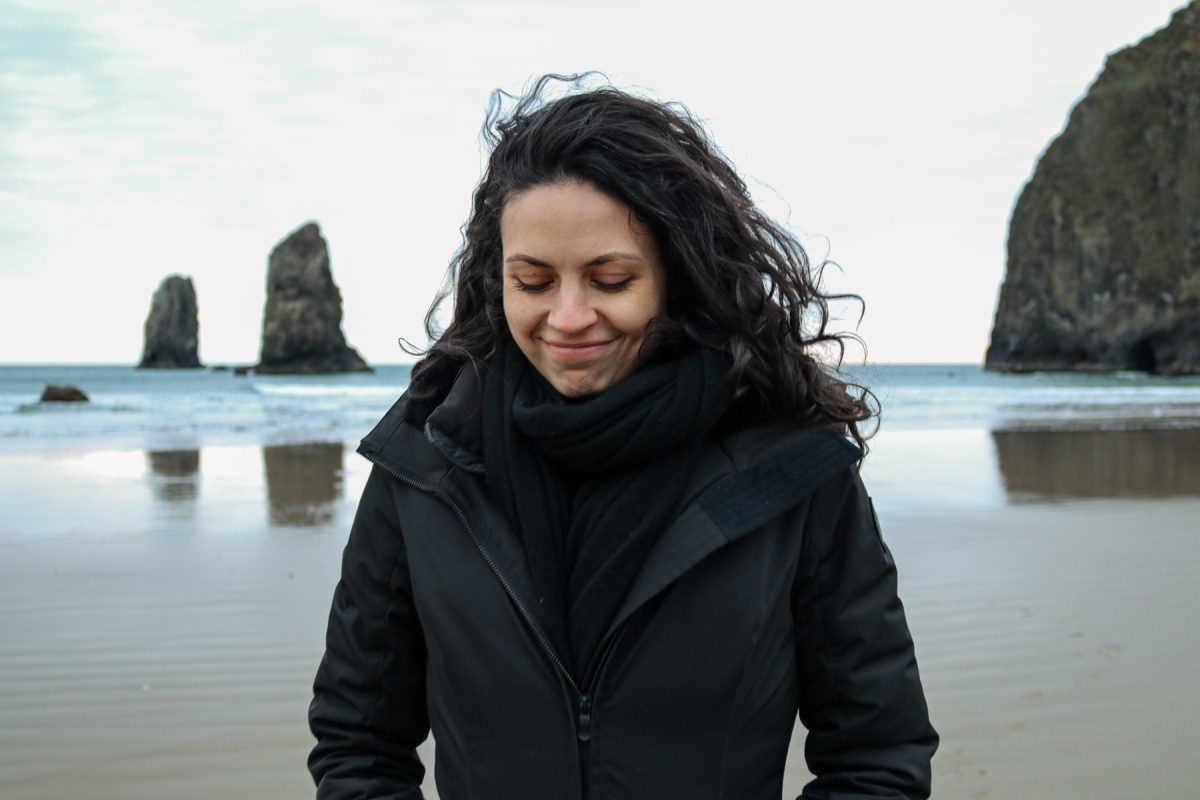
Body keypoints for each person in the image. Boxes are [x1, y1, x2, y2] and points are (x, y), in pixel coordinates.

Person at [307, 75, 938, 800]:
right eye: (533, 281)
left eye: (609, 280)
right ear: (497, 280)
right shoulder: (423, 463)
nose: (568, 317)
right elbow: (357, 743)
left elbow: (878, 757)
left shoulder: (792, 471)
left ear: (676, 276)